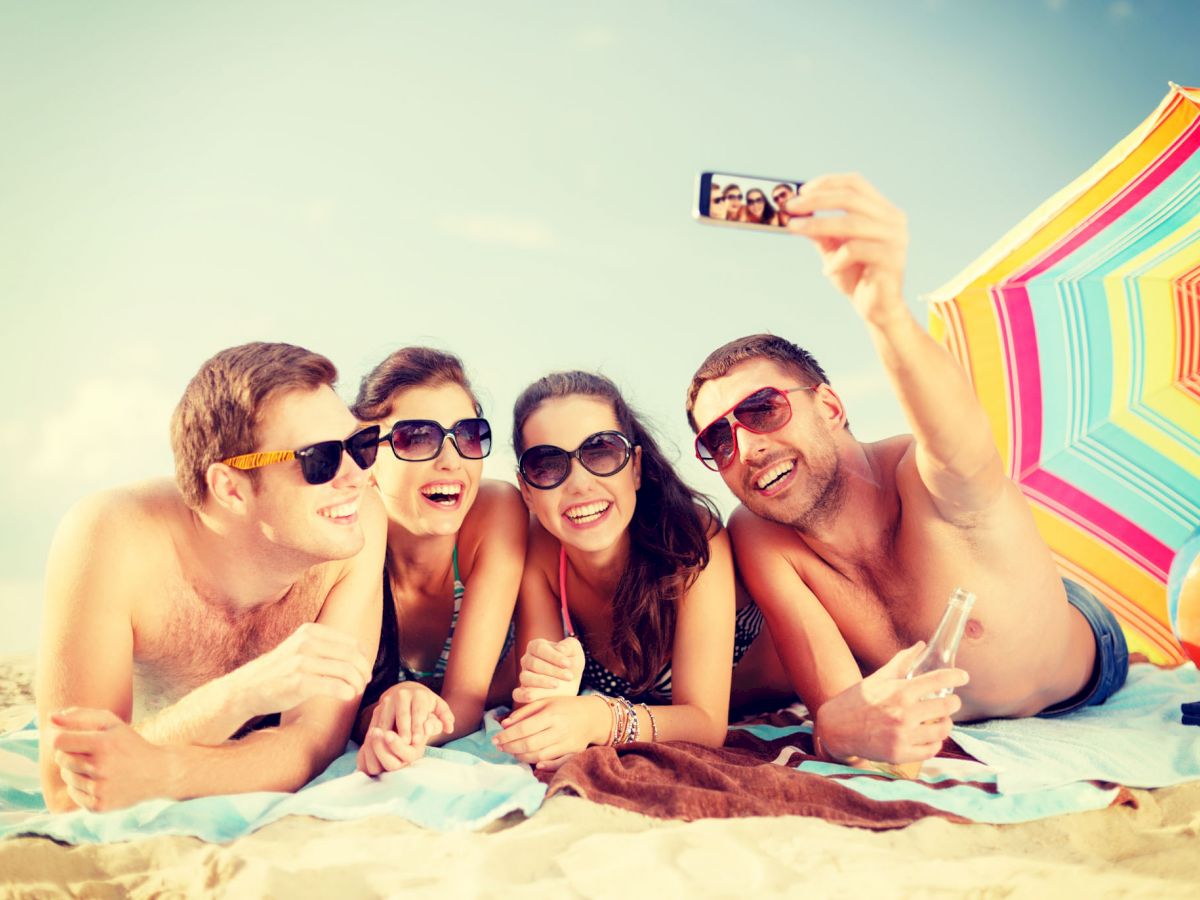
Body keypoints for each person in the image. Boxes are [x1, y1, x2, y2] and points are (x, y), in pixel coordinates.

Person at [685, 173, 1128, 768]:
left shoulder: (927, 480)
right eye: (718, 438)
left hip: (1080, 656)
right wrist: (841, 727)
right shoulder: (759, 533)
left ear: (832, 407)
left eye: (761, 409)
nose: (746, 445)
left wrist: (885, 312)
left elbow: (960, 442)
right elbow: (840, 709)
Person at [37, 342, 388, 812]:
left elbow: (314, 740)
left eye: (361, 447)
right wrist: (242, 694)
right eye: (320, 460)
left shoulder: (356, 522)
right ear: (230, 488)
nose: (358, 477)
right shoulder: (113, 537)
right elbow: (68, 789)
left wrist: (164, 774)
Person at [493, 372, 785, 769]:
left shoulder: (693, 540)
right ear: (526, 490)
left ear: (634, 467)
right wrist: (549, 693)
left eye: (600, 451)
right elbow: (540, 702)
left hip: (807, 682)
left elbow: (705, 723)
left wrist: (599, 716)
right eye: (546, 465)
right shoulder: (540, 554)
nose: (579, 484)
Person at [350, 348, 527, 775]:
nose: (451, 460)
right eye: (416, 437)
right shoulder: (351, 537)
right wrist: (382, 713)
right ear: (367, 455)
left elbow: (464, 703)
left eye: (468, 435)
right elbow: (342, 710)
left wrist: (404, 731)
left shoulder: (496, 513)